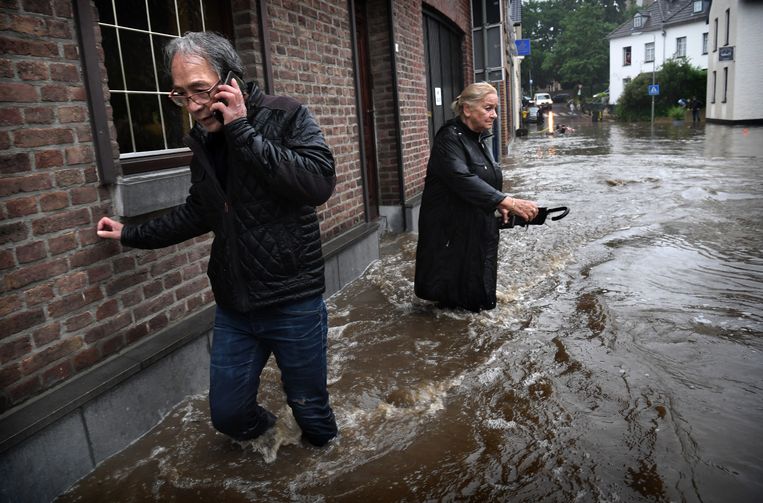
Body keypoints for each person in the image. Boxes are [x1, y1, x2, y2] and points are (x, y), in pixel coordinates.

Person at [96, 32, 338, 447]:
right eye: (181, 95)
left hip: (293, 299)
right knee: (228, 414)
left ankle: (325, 466)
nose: (192, 106)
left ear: (230, 80)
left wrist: (242, 130)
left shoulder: (286, 115)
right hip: (235, 306)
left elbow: (318, 184)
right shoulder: (205, 144)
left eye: (200, 91)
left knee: (311, 410)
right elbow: (199, 212)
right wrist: (129, 234)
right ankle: (275, 442)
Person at [414, 82, 539, 312]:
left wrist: (500, 202)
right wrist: (506, 201)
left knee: (480, 297)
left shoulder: (478, 138)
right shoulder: (449, 139)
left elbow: (483, 177)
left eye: (495, 109)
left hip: (478, 228)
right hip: (453, 236)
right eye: (488, 108)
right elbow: (461, 178)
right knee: (456, 308)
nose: (494, 115)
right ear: (467, 109)